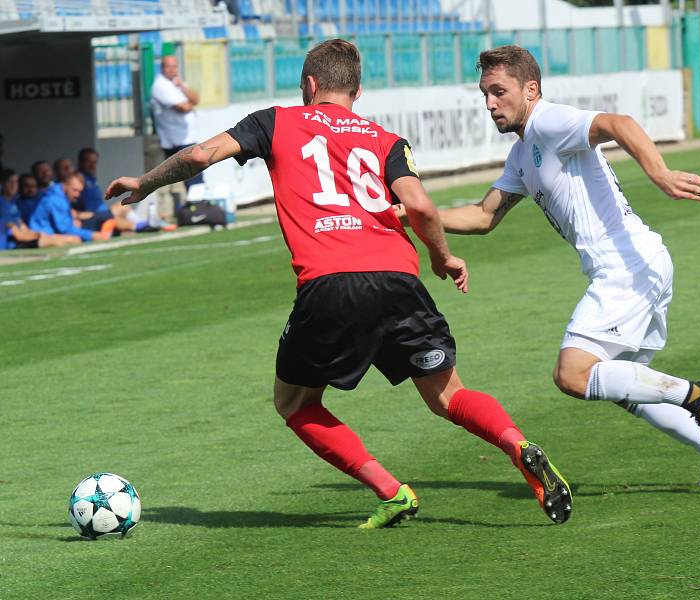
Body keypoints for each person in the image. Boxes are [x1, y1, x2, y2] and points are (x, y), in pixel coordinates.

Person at [107, 39, 574, 528]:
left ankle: (392, 492)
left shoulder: (275, 121)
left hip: (331, 283)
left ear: (309, 85)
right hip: (398, 279)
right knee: (447, 395)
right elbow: (420, 206)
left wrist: (146, 184)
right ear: (358, 90)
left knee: (294, 402)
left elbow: (203, 154)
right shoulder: (386, 139)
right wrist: (443, 257)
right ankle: (517, 443)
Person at [414, 45, 700, 486]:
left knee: (573, 375)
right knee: (626, 387)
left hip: (624, 266)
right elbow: (482, 216)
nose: (490, 103)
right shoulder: (522, 154)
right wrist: (417, 214)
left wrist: (660, 173)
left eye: (499, 91)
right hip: (640, 262)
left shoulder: (549, 121)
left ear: (530, 89)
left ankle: (699, 395)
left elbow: (618, 124)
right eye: (484, 93)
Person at [76, 148, 170, 233]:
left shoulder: (91, 179)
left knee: (123, 208)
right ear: (81, 162)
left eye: (94, 162)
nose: (93, 165)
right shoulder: (79, 179)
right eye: (89, 162)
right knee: (116, 216)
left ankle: (145, 224)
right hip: (93, 216)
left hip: (102, 214)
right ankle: (144, 225)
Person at [150, 55, 203, 189]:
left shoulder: (177, 82)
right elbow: (184, 108)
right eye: (169, 67)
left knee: (195, 175)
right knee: (192, 177)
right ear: (162, 68)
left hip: (186, 138)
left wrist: (183, 88)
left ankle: (198, 204)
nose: (172, 70)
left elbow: (196, 99)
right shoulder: (160, 86)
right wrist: (190, 102)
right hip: (175, 140)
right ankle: (196, 206)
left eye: (174, 66)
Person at [0, 169, 80, 248]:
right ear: (2, 184)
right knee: (56, 242)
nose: (13, 185)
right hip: (9, 247)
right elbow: (18, 235)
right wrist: (44, 237)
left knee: (69, 239)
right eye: (10, 182)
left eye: (16, 182)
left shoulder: (13, 203)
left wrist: (50, 236)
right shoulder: (2, 203)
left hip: (22, 241)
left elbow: (23, 228)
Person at [29, 172, 111, 243]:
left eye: (79, 191)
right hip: (40, 236)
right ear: (65, 185)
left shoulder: (58, 192)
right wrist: (92, 235)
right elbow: (65, 229)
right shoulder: (56, 199)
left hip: (47, 231)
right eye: (74, 190)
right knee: (75, 240)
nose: (77, 195)